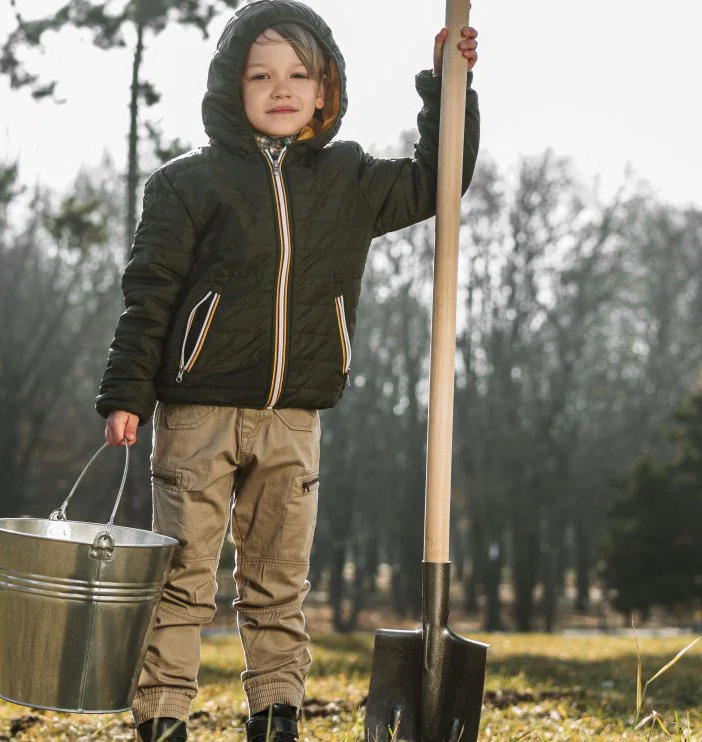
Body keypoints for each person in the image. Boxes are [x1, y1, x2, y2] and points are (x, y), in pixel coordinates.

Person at [96, 1, 480, 740]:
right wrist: (126, 395)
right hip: (197, 417)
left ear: (326, 87)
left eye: (299, 75)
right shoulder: (188, 185)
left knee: (277, 584)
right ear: (230, 87)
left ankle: (276, 718)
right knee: (183, 581)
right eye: (261, 75)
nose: (281, 88)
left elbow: (440, 178)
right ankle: (163, 719)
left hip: (294, 417)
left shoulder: (348, 178)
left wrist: (447, 86)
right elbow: (149, 295)